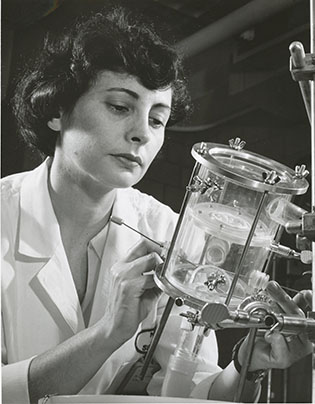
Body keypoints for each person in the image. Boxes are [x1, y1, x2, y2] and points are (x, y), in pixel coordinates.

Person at [1, 5, 312, 404]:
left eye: (157, 119)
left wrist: (247, 366)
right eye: (119, 107)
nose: (141, 134)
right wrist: (108, 332)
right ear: (57, 111)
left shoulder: (169, 232)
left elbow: (191, 390)